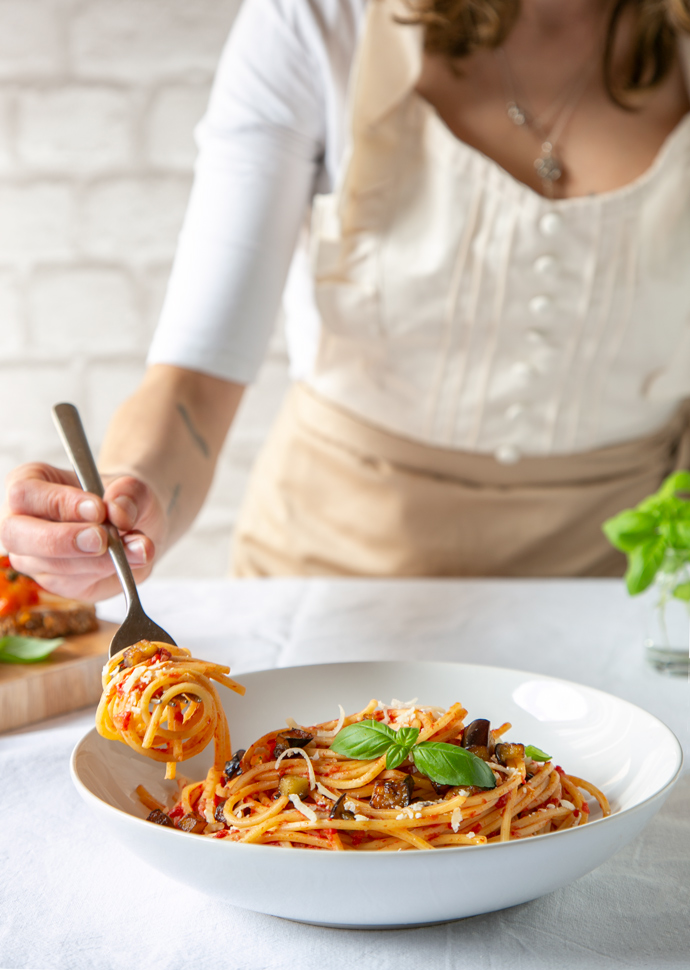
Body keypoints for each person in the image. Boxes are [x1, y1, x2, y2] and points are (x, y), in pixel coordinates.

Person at [2, 0, 690, 600]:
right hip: (325, 583)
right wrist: (128, 500)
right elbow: (195, 385)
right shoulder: (318, 19)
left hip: (620, 596)